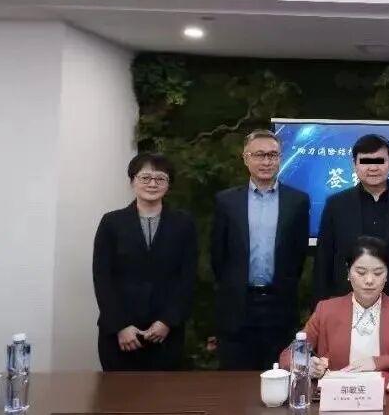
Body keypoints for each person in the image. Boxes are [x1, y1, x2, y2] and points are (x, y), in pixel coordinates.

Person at [211, 129, 311, 370]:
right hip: (239, 304)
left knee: (280, 374)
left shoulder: (297, 201)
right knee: (236, 377)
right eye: (259, 155)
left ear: (280, 158)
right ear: (246, 158)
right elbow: (218, 255)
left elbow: (298, 254)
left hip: (280, 304)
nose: (266, 161)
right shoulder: (227, 201)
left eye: (272, 155)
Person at [92, 154, 197, 371]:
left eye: (160, 178)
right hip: (120, 334)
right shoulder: (111, 223)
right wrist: (120, 326)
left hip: (166, 334)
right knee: (118, 392)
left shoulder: (183, 224)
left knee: (164, 392)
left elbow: (187, 277)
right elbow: (102, 277)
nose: (152, 184)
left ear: (169, 184)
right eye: (145, 177)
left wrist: (167, 321)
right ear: (132, 181)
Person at [281, 236, 389, 375]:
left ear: (387, 275)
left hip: (388, 395)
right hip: (339, 395)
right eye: (361, 272)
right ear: (348, 272)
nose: (369, 280)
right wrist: (306, 365)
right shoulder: (326, 310)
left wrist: (378, 362)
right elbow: (287, 357)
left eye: (378, 273)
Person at [313, 134, 389, 303]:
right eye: (365, 161)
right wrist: (319, 306)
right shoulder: (336, 204)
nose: (373, 168)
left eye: (380, 161)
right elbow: (324, 259)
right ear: (354, 164)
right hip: (346, 301)